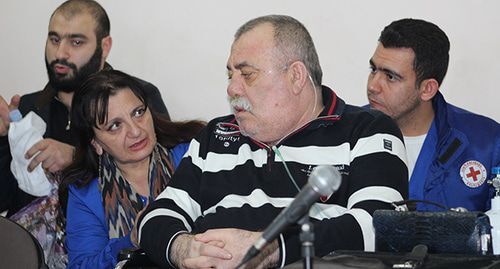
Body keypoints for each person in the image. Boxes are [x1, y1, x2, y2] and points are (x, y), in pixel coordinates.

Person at [138, 15, 408, 268]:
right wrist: (186, 249)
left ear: (296, 76)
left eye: (247, 74)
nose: (232, 88)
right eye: (230, 75)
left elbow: (382, 228)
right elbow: (155, 217)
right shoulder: (216, 135)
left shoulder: (367, 130)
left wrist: (268, 250)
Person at [0, 0, 169, 216]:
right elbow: (5, 200)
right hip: (30, 246)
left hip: (111, 243)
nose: (61, 53)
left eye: (76, 42)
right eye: (54, 39)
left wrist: (76, 159)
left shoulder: (138, 99)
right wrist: (3, 141)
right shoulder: (26, 108)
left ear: (104, 46)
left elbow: (160, 182)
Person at [62, 70, 204, 269]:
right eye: (115, 126)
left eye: (138, 112)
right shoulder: (85, 194)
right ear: (95, 143)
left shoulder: (192, 154)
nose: (136, 131)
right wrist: (130, 240)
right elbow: (81, 266)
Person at [366, 18, 500, 212]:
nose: (373, 86)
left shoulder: (487, 144)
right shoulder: (347, 132)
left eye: (390, 77)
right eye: (373, 70)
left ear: (427, 89)